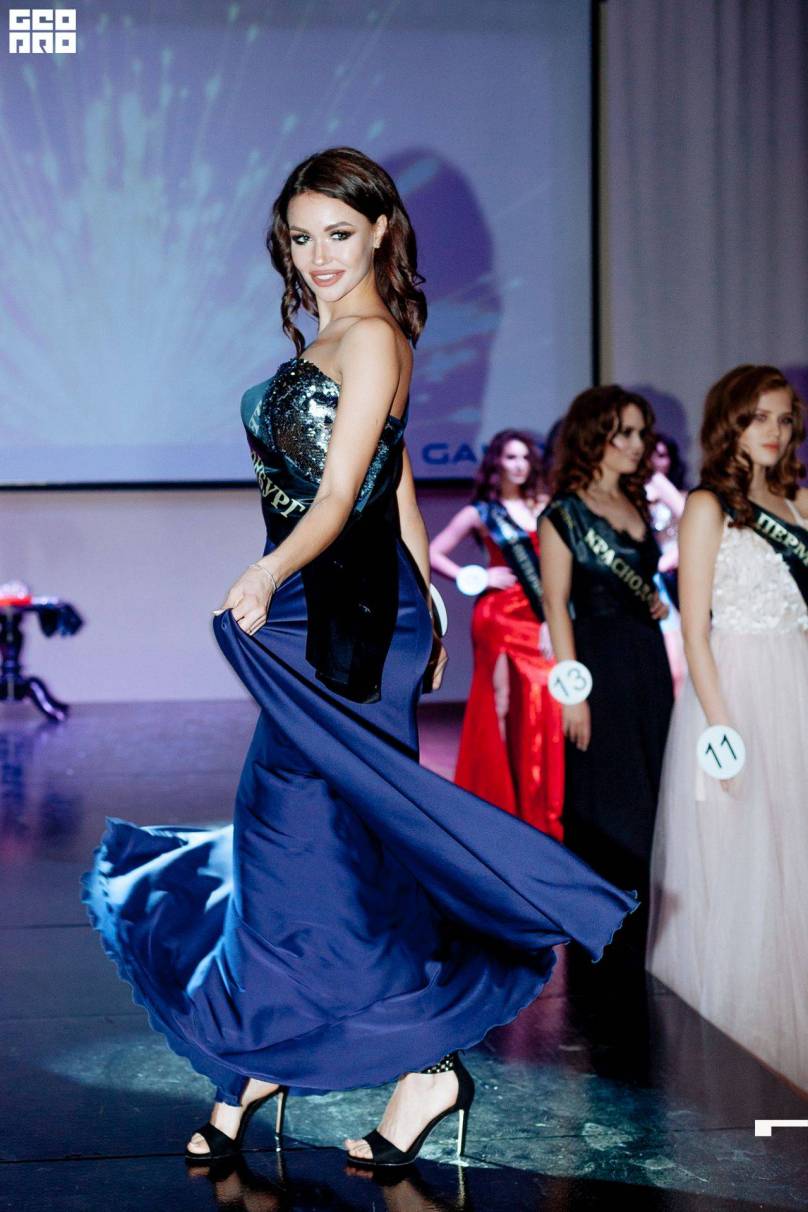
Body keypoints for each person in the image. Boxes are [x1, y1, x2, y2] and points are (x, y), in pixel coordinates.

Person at [81, 148, 637, 1170]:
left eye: (338, 232)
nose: (318, 255)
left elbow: (341, 497)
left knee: (309, 838)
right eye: (301, 237)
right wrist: (430, 593)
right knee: (297, 839)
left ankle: (373, 1065)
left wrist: (267, 571)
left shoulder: (374, 335)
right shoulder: (339, 338)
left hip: (343, 616)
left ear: (381, 230)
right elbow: (394, 480)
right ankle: (283, 1058)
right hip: (343, 603)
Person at [647, 364, 808, 1092]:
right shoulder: (707, 504)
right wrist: (723, 736)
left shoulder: (798, 502)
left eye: (784, 418)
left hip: (796, 682)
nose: (774, 431)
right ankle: (741, 1032)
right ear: (730, 424)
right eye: (758, 417)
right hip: (735, 693)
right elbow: (695, 629)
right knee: (744, 854)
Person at [540, 386, 674, 938]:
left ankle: (650, 928)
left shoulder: (637, 503)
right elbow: (555, 604)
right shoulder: (563, 514)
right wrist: (573, 692)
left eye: (642, 432)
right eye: (626, 433)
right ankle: (607, 932)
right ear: (595, 436)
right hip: (598, 664)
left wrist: (654, 600)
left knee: (653, 786)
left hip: (647, 660)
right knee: (609, 797)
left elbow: (642, 580)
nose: (638, 444)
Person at [428, 430, 564, 837]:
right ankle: (501, 799)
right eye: (510, 457)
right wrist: (477, 576)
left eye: (525, 457)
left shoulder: (546, 505)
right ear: (496, 463)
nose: (519, 465)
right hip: (499, 616)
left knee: (544, 699)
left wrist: (554, 618)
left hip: (539, 614)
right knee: (500, 702)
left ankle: (538, 793)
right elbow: (433, 552)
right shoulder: (481, 512)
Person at [646, 442, 687, 694]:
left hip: (665, 580)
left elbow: (690, 519)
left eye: (662, 455)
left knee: (676, 670)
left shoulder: (657, 482)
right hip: (634, 579)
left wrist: (670, 557)